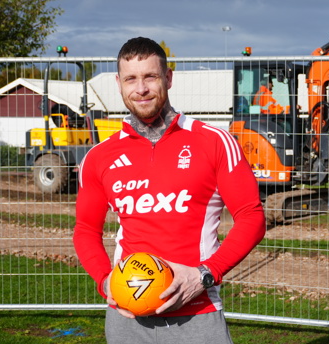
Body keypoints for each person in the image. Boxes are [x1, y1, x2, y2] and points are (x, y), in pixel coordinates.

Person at [73, 37, 266, 344]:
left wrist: (204, 274)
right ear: (118, 83)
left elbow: (251, 217)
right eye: (131, 79)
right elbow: (85, 229)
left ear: (168, 77)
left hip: (198, 313)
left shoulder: (215, 142)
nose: (141, 88)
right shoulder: (98, 157)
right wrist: (105, 281)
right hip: (127, 320)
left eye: (150, 76)